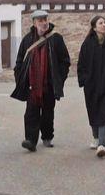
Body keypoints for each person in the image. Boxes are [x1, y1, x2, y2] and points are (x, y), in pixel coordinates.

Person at [11, 10, 71, 152]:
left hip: (49, 84)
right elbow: (19, 61)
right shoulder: (27, 40)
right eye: (40, 20)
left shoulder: (56, 39)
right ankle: (31, 140)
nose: (44, 23)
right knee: (31, 112)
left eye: (45, 19)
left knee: (48, 112)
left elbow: (65, 61)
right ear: (34, 23)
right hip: (32, 84)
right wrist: (20, 79)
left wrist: (59, 79)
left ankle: (47, 137)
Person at [77, 16, 105, 158]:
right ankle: (96, 137)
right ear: (94, 27)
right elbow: (81, 64)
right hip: (91, 86)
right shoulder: (87, 44)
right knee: (93, 112)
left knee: (104, 113)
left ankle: (102, 144)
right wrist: (84, 80)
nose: (104, 25)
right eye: (100, 23)